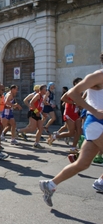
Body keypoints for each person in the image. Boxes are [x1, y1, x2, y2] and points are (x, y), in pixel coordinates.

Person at [39, 68, 103, 206]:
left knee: (82, 164)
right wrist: (94, 111)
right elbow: (72, 93)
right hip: (97, 124)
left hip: (97, 125)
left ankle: (50, 184)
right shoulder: (98, 75)